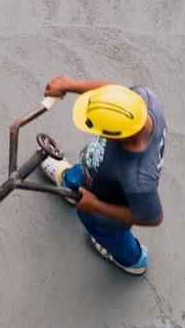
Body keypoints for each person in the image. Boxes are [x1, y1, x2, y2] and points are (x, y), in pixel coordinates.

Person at [41, 75, 167, 275]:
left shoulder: (137, 179)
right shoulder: (144, 100)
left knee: (109, 233)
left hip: (109, 206)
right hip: (96, 171)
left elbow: (152, 216)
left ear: (116, 134)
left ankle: (132, 260)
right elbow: (113, 93)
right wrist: (70, 85)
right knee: (84, 172)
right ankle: (70, 184)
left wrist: (95, 206)